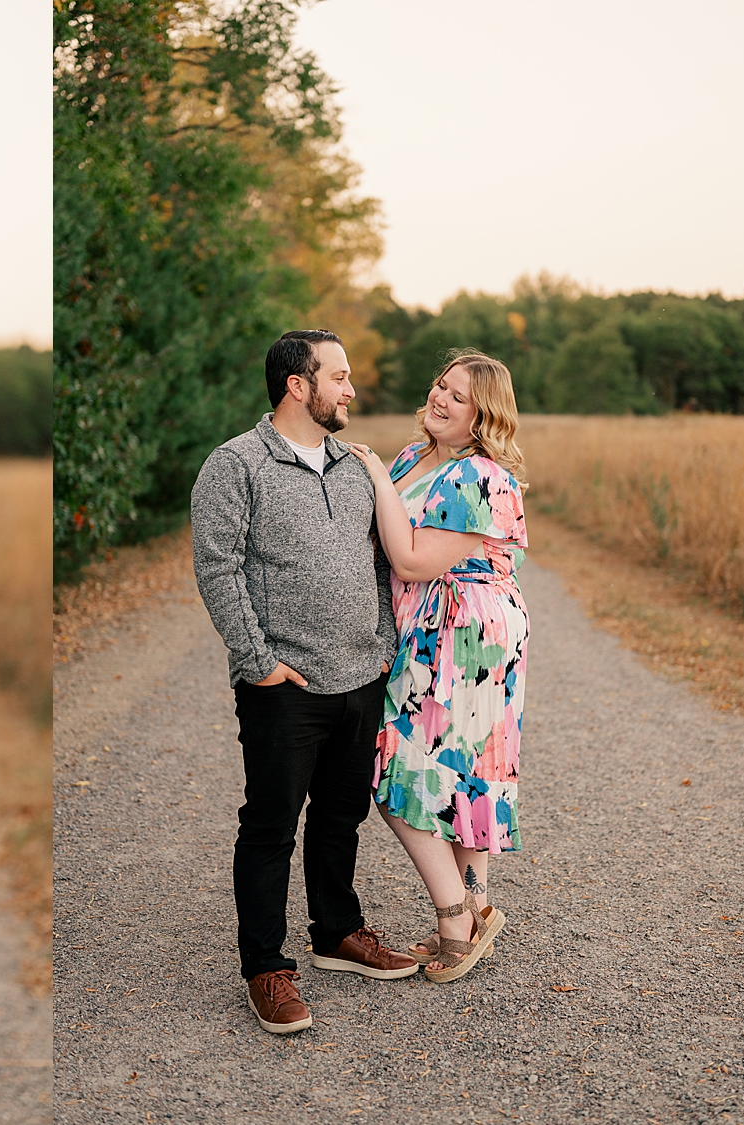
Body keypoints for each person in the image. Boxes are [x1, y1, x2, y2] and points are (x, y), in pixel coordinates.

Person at [191, 329, 419, 1037]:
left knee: (340, 815)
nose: (351, 390)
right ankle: (265, 964)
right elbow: (217, 567)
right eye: (340, 377)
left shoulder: (353, 467)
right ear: (299, 384)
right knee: (270, 825)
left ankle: (338, 931)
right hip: (282, 683)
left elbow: (378, 563)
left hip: (360, 674)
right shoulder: (235, 465)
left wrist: (382, 643)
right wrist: (257, 660)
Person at [347, 348, 528, 983]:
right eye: (439, 386)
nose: (440, 398)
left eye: (458, 395)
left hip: (468, 631)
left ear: (482, 415)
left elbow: (414, 562)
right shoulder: (411, 457)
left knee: (401, 767)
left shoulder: (480, 476)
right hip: (430, 626)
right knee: (454, 770)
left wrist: (369, 474)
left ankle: (454, 916)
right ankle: (475, 909)